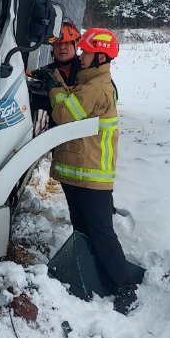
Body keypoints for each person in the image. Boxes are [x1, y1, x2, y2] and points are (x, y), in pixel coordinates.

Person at [44, 27, 138, 315]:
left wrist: (56, 85)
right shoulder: (90, 82)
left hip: (92, 174)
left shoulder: (94, 87)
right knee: (83, 229)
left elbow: (63, 114)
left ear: (100, 56)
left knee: (101, 233)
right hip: (80, 171)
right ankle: (95, 275)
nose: (81, 56)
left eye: (85, 52)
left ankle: (126, 288)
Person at [28, 20, 82, 119]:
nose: (62, 47)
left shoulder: (87, 71)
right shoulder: (46, 73)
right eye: (58, 43)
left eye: (67, 43)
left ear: (76, 44)